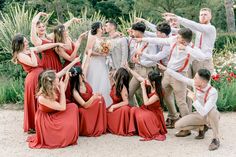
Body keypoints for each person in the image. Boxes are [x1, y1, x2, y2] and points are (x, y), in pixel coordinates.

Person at [135, 28, 206, 135]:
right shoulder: (174, 40)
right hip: (167, 73)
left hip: (179, 76)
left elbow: (202, 57)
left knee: (181, 102)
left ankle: (187, 128)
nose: (175, 38)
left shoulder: (191, 48)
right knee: (161, 94)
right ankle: (174, 117)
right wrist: (142, 39)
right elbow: (159, 40)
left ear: (184, 41)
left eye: (178, 37)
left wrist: (186, 48)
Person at [12, 34, 66, 133]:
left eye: (26, 40)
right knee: (35, 101)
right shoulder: (20, 55)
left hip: (40, 76)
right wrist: (32, 51)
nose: (27, 42)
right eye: (25, 41)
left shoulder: (30, 50)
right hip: (33, 80)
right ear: (20, 44)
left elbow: (42, 47)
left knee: (44, 99)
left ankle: (43, 123)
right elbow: (34, 64)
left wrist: (56, 43)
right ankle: (34, 126)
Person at [158, 63, 220, 151]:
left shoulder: (213, 92)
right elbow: (181, 78)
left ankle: (215, 139)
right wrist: (166, 69)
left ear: (202, 82)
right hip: (199, 114)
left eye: (196, 78)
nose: (193, 79)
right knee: (178, 125)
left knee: (213, 111)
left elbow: (205, 112)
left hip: (210, 116)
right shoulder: (194, 83)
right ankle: (201, 128)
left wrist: (194, 99)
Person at [27, 64, 80, 148]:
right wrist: (62, 89)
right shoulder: (42, 97)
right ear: (51, 81)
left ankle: (68, 133)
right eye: (57, 78)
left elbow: (61, 94)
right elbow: (62, 107)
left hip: (54, 112)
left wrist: (66, 79)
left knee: (73, 107)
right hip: (46, 120)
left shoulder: (52, 87)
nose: (58, 78)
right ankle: (61, 136)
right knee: (70, 108)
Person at [163, 8, 216, 75]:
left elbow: (194, 25)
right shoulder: (198, 30)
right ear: (199, 17)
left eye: (205, 14)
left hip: (205, 61)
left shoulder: (211, 28)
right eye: (201, 15)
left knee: (203, 84)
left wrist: (178, 18)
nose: (203, 16)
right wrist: (165, 29)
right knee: (192, 84)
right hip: (195, 60)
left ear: (210, 16)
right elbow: (187, 28)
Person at [125, 64, 167, 141]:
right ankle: (135, 129)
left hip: (154, 113)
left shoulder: (158, 92)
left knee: (141, 116)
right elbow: (138, 77)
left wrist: (143, 89)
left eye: (148, 79)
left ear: (153, 82)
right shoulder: (149, 83)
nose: (146, 80)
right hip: (146, 109)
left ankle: (146, 129)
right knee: (133, 110)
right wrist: (129, 69)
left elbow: (146, 103)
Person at [69, 66, 107, 137]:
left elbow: (86, 66)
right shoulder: (75, 91)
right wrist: (93, 97)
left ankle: (100, 126)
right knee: (97, 100)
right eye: (81, 75)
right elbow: (84, 105)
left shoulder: (84, 81)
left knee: (101, 99)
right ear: (77, 78)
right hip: (84, 107)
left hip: (91, 102)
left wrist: (88, 55)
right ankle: (92, 128)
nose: (83, 76)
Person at [128, 22, 158, 106]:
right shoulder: (136, 41)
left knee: (146, 95)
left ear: (138, 31)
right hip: (137, 69)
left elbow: (153, 60)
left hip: (146, 70)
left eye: (133, 31)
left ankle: (149, 115)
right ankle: (133, 112)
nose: (132, 32)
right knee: (129, 93)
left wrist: (140, 62)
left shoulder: (150, 43)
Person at [85, 22, 112, 107]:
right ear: (97, 28)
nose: (103, 28)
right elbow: (87, 51)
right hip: (94, 62)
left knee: (104, 80)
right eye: (101, 26)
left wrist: (105, 51)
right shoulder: (92, 37)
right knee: (94, 79)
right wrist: (100, 54)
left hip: (102, 62)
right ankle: (94, 102)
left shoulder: (102, 39)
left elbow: (109, 40)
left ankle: (105, 103)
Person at [107, 68, 131, 136]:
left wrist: (113, 106)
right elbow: (111, 81)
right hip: (114, 106)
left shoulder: (122, 87)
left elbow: (126, 102)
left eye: (116, 71)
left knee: (124, 109)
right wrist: (110, 77)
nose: (115, 72)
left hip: (120, 106)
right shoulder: (115, 84)